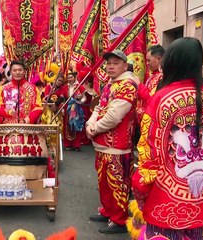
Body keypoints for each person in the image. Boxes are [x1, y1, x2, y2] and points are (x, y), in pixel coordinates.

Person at [132, 37, 203, 239]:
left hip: (165, 199)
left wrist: (140, 190)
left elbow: (150, 153)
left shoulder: (162, 98)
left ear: (171, 63)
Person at [86, 50, 137, 234]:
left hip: (118, 146)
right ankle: (108, 211)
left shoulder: (128, 85)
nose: (110, 66)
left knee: (118, 184)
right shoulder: (110, 85)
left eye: (115, 63)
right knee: (104, 183)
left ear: (125, 65)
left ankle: (119, 219)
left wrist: (95, 128)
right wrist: (90, 122)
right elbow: (99, 107)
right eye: (108, 63)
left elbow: (115, 116)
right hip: (102, 144)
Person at [136, 45, 165, 123]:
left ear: (158, 59)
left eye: (149, 60)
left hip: (152, 120)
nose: (147, 63)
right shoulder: (153, 76)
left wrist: (139, 85)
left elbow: (152, 99)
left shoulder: (163, 77)